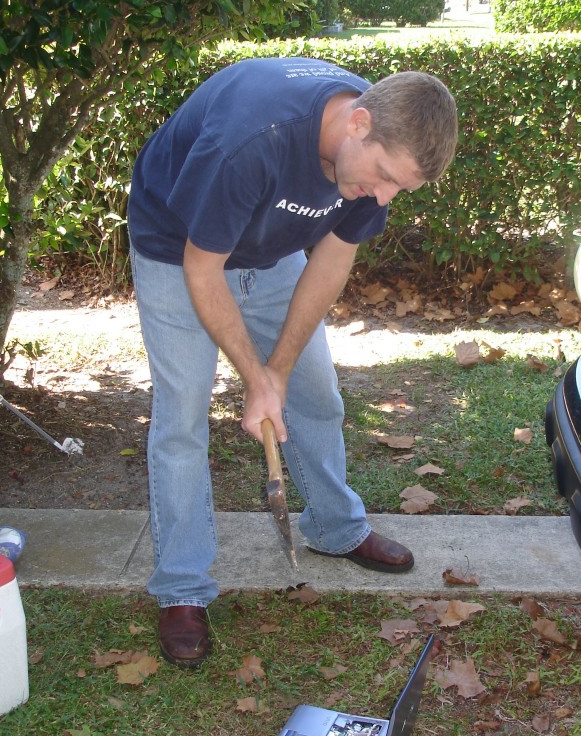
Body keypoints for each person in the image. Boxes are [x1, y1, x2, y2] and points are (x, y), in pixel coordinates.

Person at [127, 56, 459, 668]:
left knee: (314, 395)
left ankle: (337, 528)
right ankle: (181, 586)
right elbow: (204, 270)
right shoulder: (252, 140)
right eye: (384, 177)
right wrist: (252, 380)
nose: (383, 197)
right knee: (181, 419)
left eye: (399, 190)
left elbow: (331, 261)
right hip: (179, 248)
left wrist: (276, 370)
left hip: (272, 249)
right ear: (357, 123)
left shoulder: (374, 155)